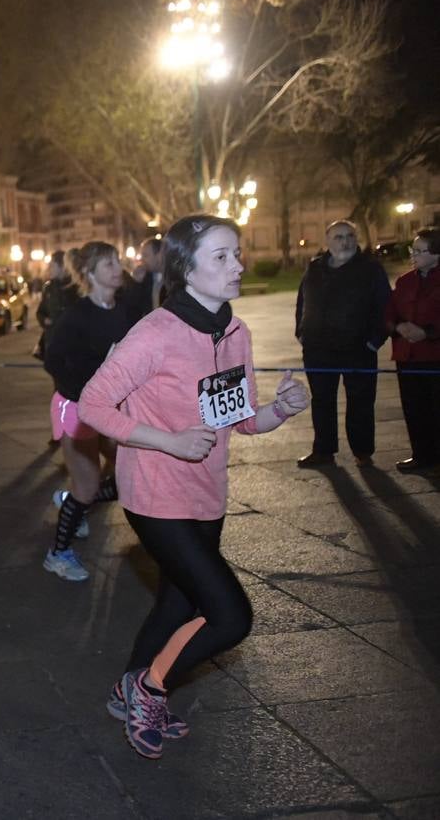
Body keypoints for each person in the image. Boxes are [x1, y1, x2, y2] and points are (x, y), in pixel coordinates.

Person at [77, 215, 308, 760]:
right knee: (231, 615)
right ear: (187, 268)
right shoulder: (155, 333)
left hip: (207, 493)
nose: (239, 266)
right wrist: (168, 440)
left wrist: (279, 410)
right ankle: (149, 687)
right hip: (156, 494)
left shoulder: (236, 333)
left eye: (238, 254)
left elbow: (241, 419)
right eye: (222, 257)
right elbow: (91, 406)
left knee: (177, 605)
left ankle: (124, 691)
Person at [41, 242, 133, 581]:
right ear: (90, 274)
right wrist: (89, 385)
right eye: (108, 264)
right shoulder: (75, 315)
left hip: (110, 408)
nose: (117, 268)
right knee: (89, 484)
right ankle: (58, 553)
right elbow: (53, 361)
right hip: (75, 407)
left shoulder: (124, 309)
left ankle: (73, 503)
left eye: (117, 261)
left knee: (128, 475)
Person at [293, 221, 392, 468]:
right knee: (322, 400)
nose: (345, 241)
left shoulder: (370, 269)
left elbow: (385, 307)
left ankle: (363, 452)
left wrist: (373, 342)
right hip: (318, 349)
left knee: (361, 401)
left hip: (358, 349)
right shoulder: (315, 268)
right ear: (327, 240)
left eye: (349, 236)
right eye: (338, 237)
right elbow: (302, 302)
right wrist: (301, 332)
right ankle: (323, 450)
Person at [385, 227, 440, 474]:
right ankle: (421, 454)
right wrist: (398, 326)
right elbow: (388, 312)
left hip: (434, 356)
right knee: (414, 407)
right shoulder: (405, 281)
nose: (413, 255)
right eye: (413, 250)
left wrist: (427, 333)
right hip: (407, 356)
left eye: (420, 251)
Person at [120, 238, 166, 320]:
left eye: (146, 255)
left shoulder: (174, 278)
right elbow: (132, 306)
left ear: (159, 255)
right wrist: (136, 283)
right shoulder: (145, 278)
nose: (142, 260)